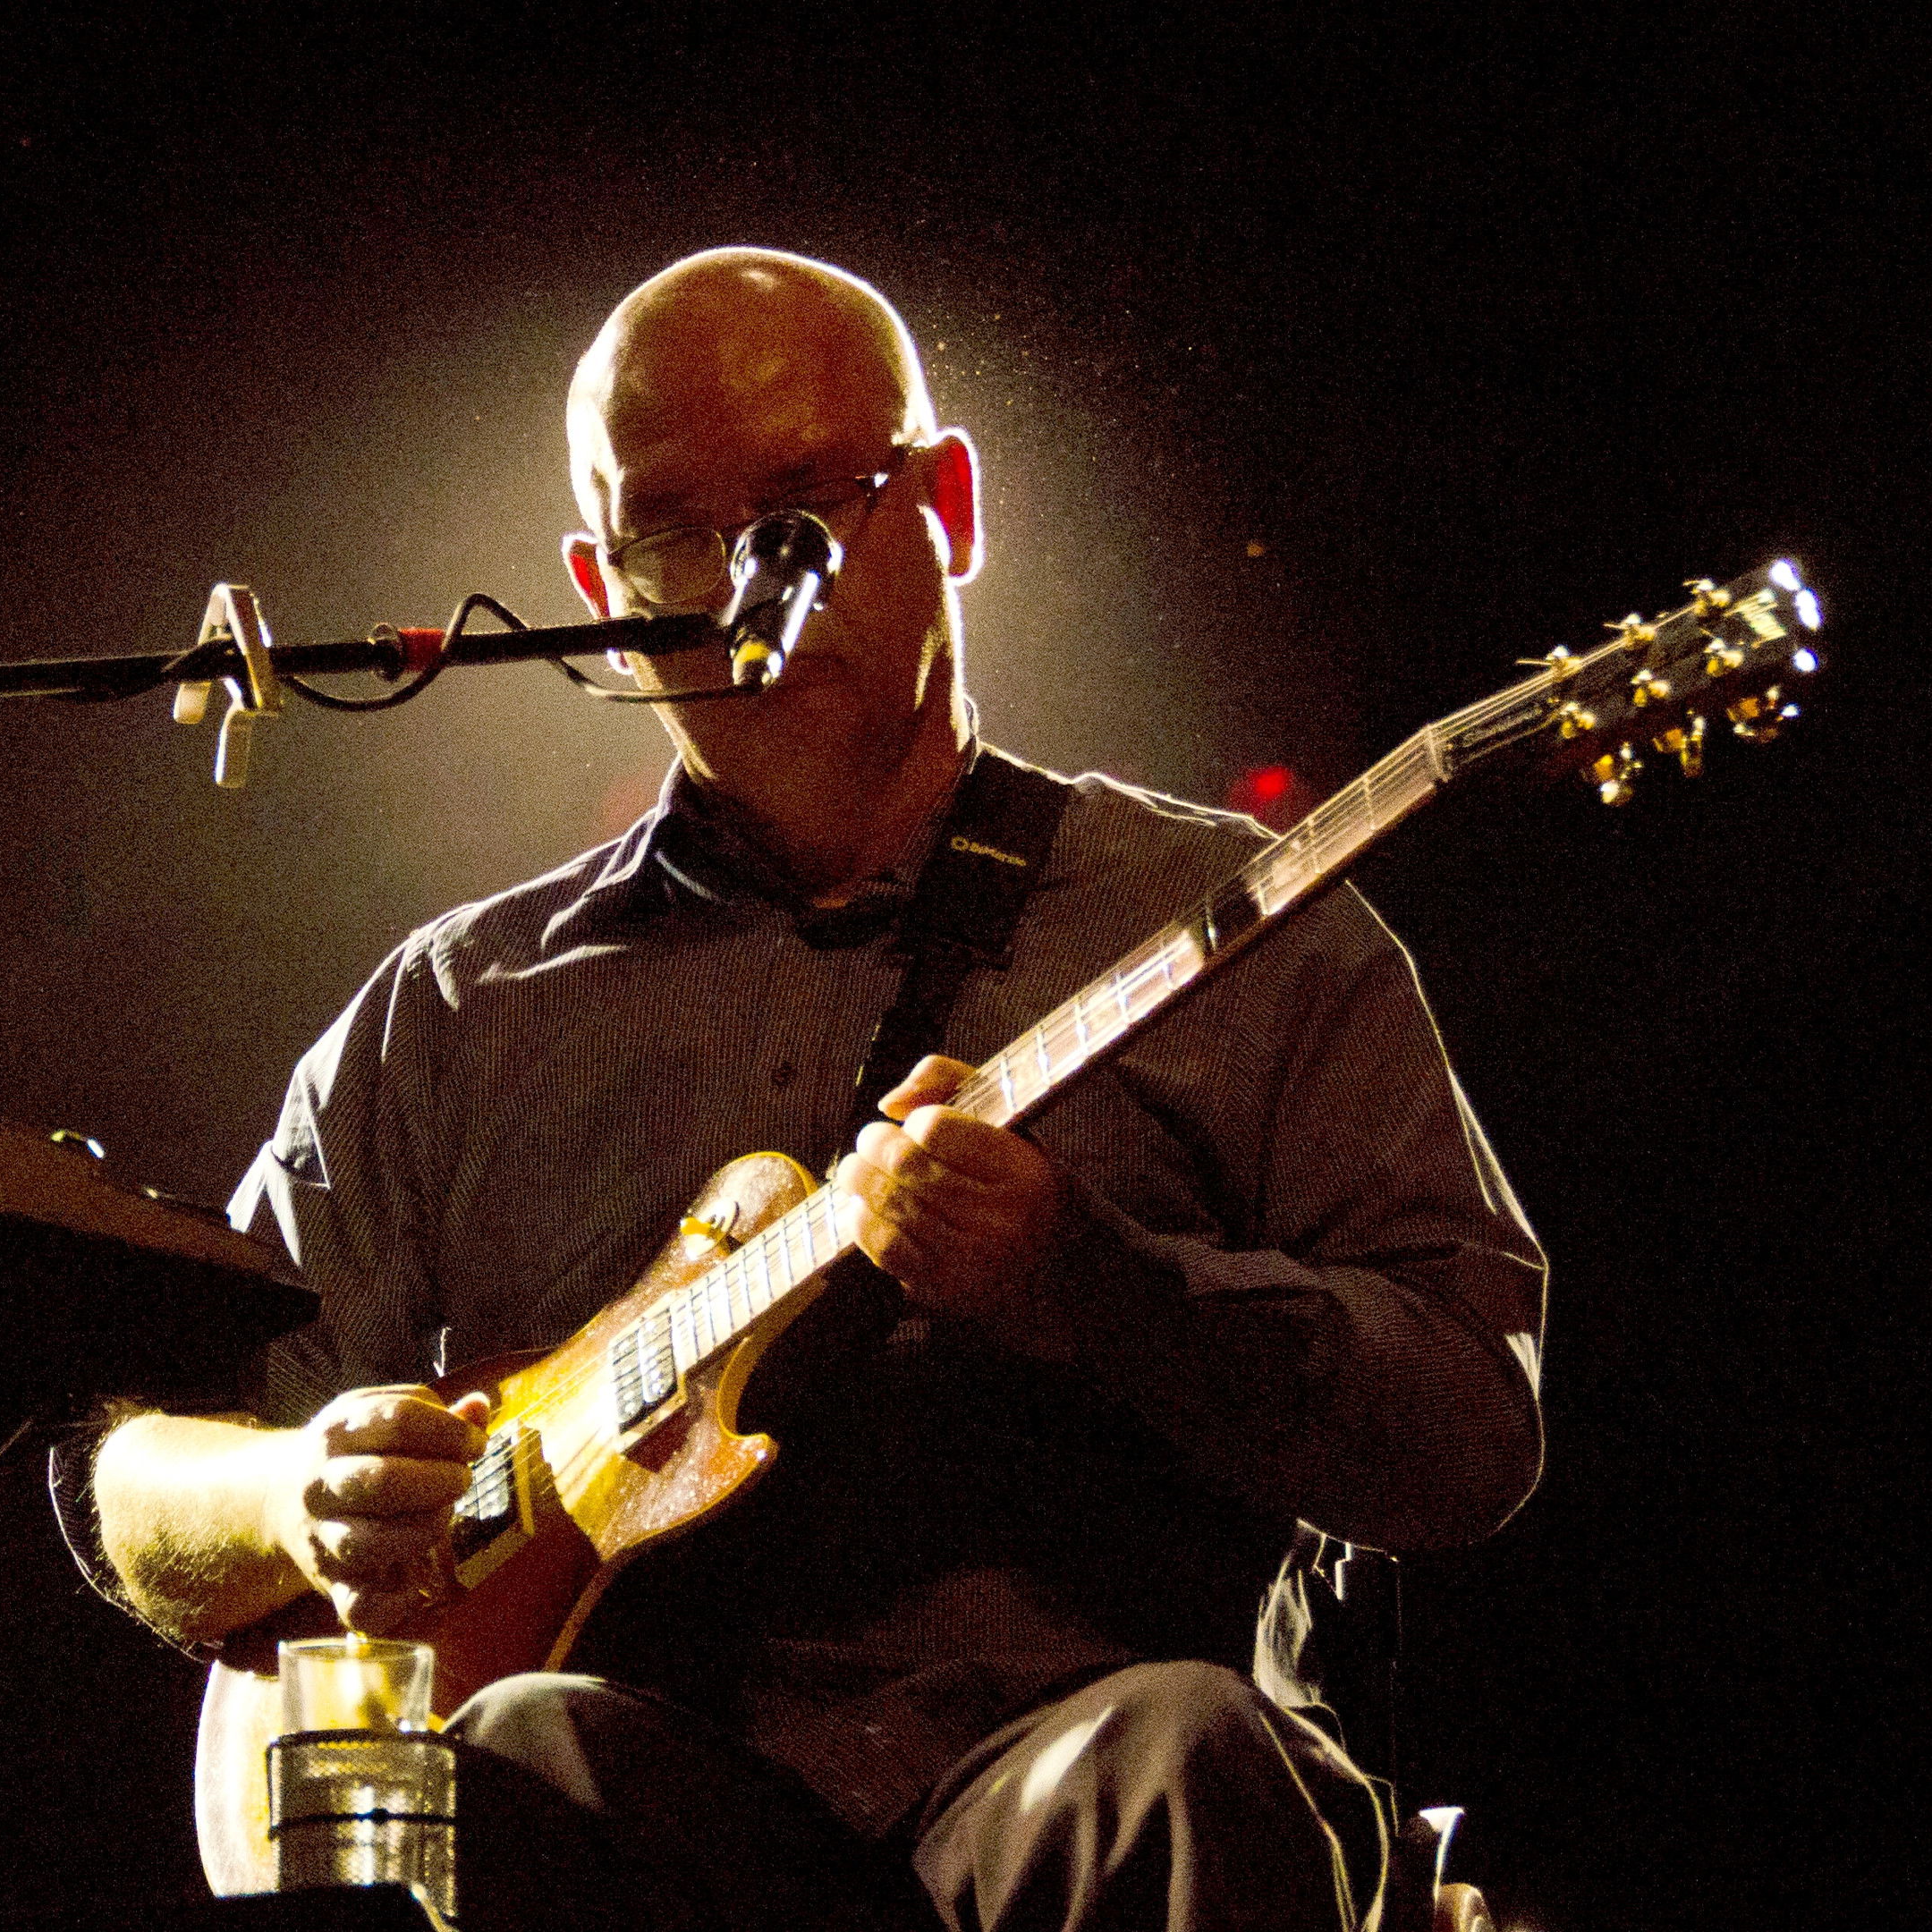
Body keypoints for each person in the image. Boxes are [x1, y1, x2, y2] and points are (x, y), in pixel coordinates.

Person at [80, 248, 1546, 1931]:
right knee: (510, 1754)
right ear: (597, 581)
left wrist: (1094, 1282)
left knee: (1178, 1753)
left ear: (950, 506)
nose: (734, 583)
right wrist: (294, 1494)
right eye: (669, 533)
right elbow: (137, 1473)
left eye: (800, 512)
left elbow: (1471, 1429)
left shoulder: (1246, 929)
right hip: (647, 1826)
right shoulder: (459, 1008)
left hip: (1092, 1794)